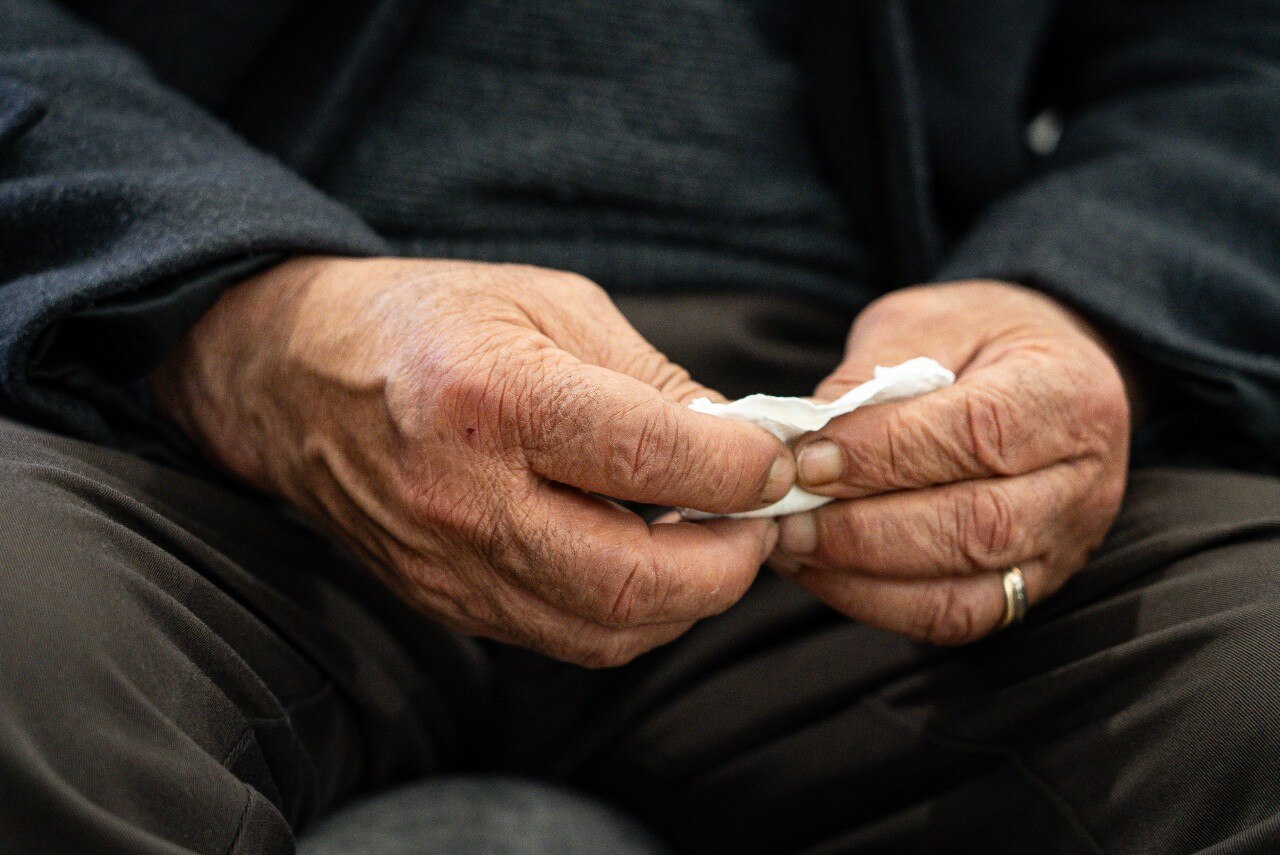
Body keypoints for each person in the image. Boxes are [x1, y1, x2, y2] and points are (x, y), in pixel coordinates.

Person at [1, 0, 1278, 852]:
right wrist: (242, 329)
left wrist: (1086, 304)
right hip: (162, 398)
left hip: (862, 443)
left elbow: (1234, 54)